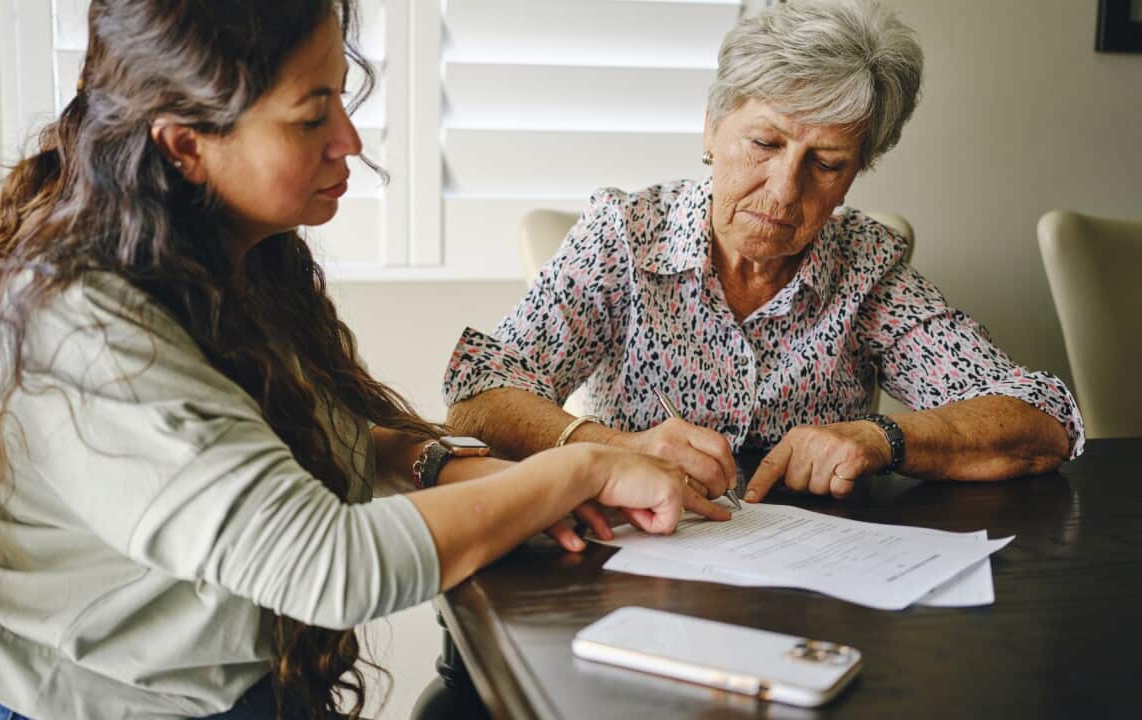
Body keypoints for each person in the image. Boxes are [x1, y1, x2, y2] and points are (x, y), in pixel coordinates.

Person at [0, 2, 727, 718]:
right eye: (312, 116)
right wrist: (577, 470)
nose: (350, 141)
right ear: (185, 145)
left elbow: (316, 439)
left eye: (342, 97)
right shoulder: (79, 327)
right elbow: (327, 564)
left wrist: (447, 464)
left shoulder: (227, 254)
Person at [442, 0, 1084, 552]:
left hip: (814, 584)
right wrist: (610, 447)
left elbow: (1043, 420)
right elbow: (478, 392)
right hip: (637, 565)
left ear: (857, 173)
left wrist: (882, 436)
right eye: (765, 144)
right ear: (712, 128)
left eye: (826, 163)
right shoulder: (625, 236)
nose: (783, 191)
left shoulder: (869, 266)